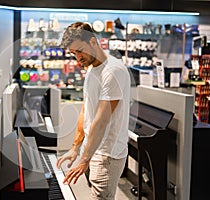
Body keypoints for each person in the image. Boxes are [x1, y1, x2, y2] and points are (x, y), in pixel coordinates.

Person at [56, 22, 131, 200]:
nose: (78, 58)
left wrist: (84, 159)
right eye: (73, 53)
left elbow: (101, 120)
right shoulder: (92, 69)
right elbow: (86, 111)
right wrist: (76, 148)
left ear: (93, 41)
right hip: (93, 149)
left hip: (107, 155)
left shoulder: (112, 71)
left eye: (80, 50)